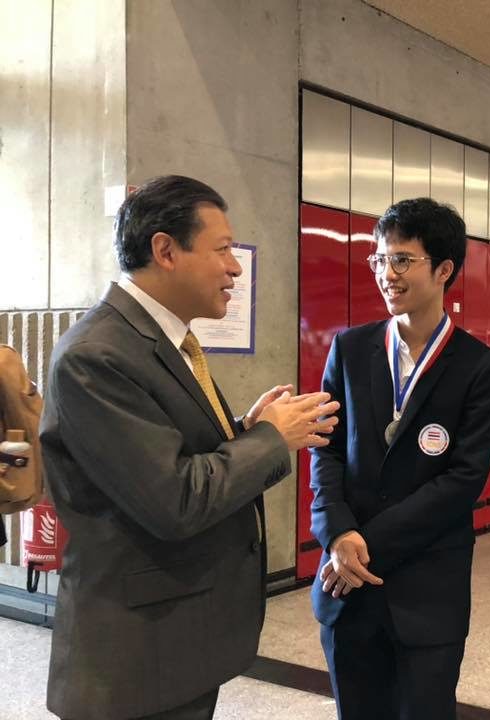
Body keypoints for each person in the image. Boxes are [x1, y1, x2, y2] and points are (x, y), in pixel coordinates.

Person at [39, 175, 339, 720]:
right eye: (222, 249)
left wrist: (246, 429)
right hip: (136, 660)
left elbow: (167, 455)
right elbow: (174, 500)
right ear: (165, 250)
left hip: (175, 642)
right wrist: (271, 439)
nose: (235, 268)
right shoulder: (97, 356)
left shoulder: (160, 341)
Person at [309, 197, 490, 720]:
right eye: (379, 259)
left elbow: (463, 480)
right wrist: (336, 532)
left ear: (444, 270)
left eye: (402, 260)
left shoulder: (479, 367)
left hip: (426, 593)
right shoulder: (350, 350)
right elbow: (325, 449)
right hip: (345, 587)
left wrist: (363, 546)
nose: (386, 273)